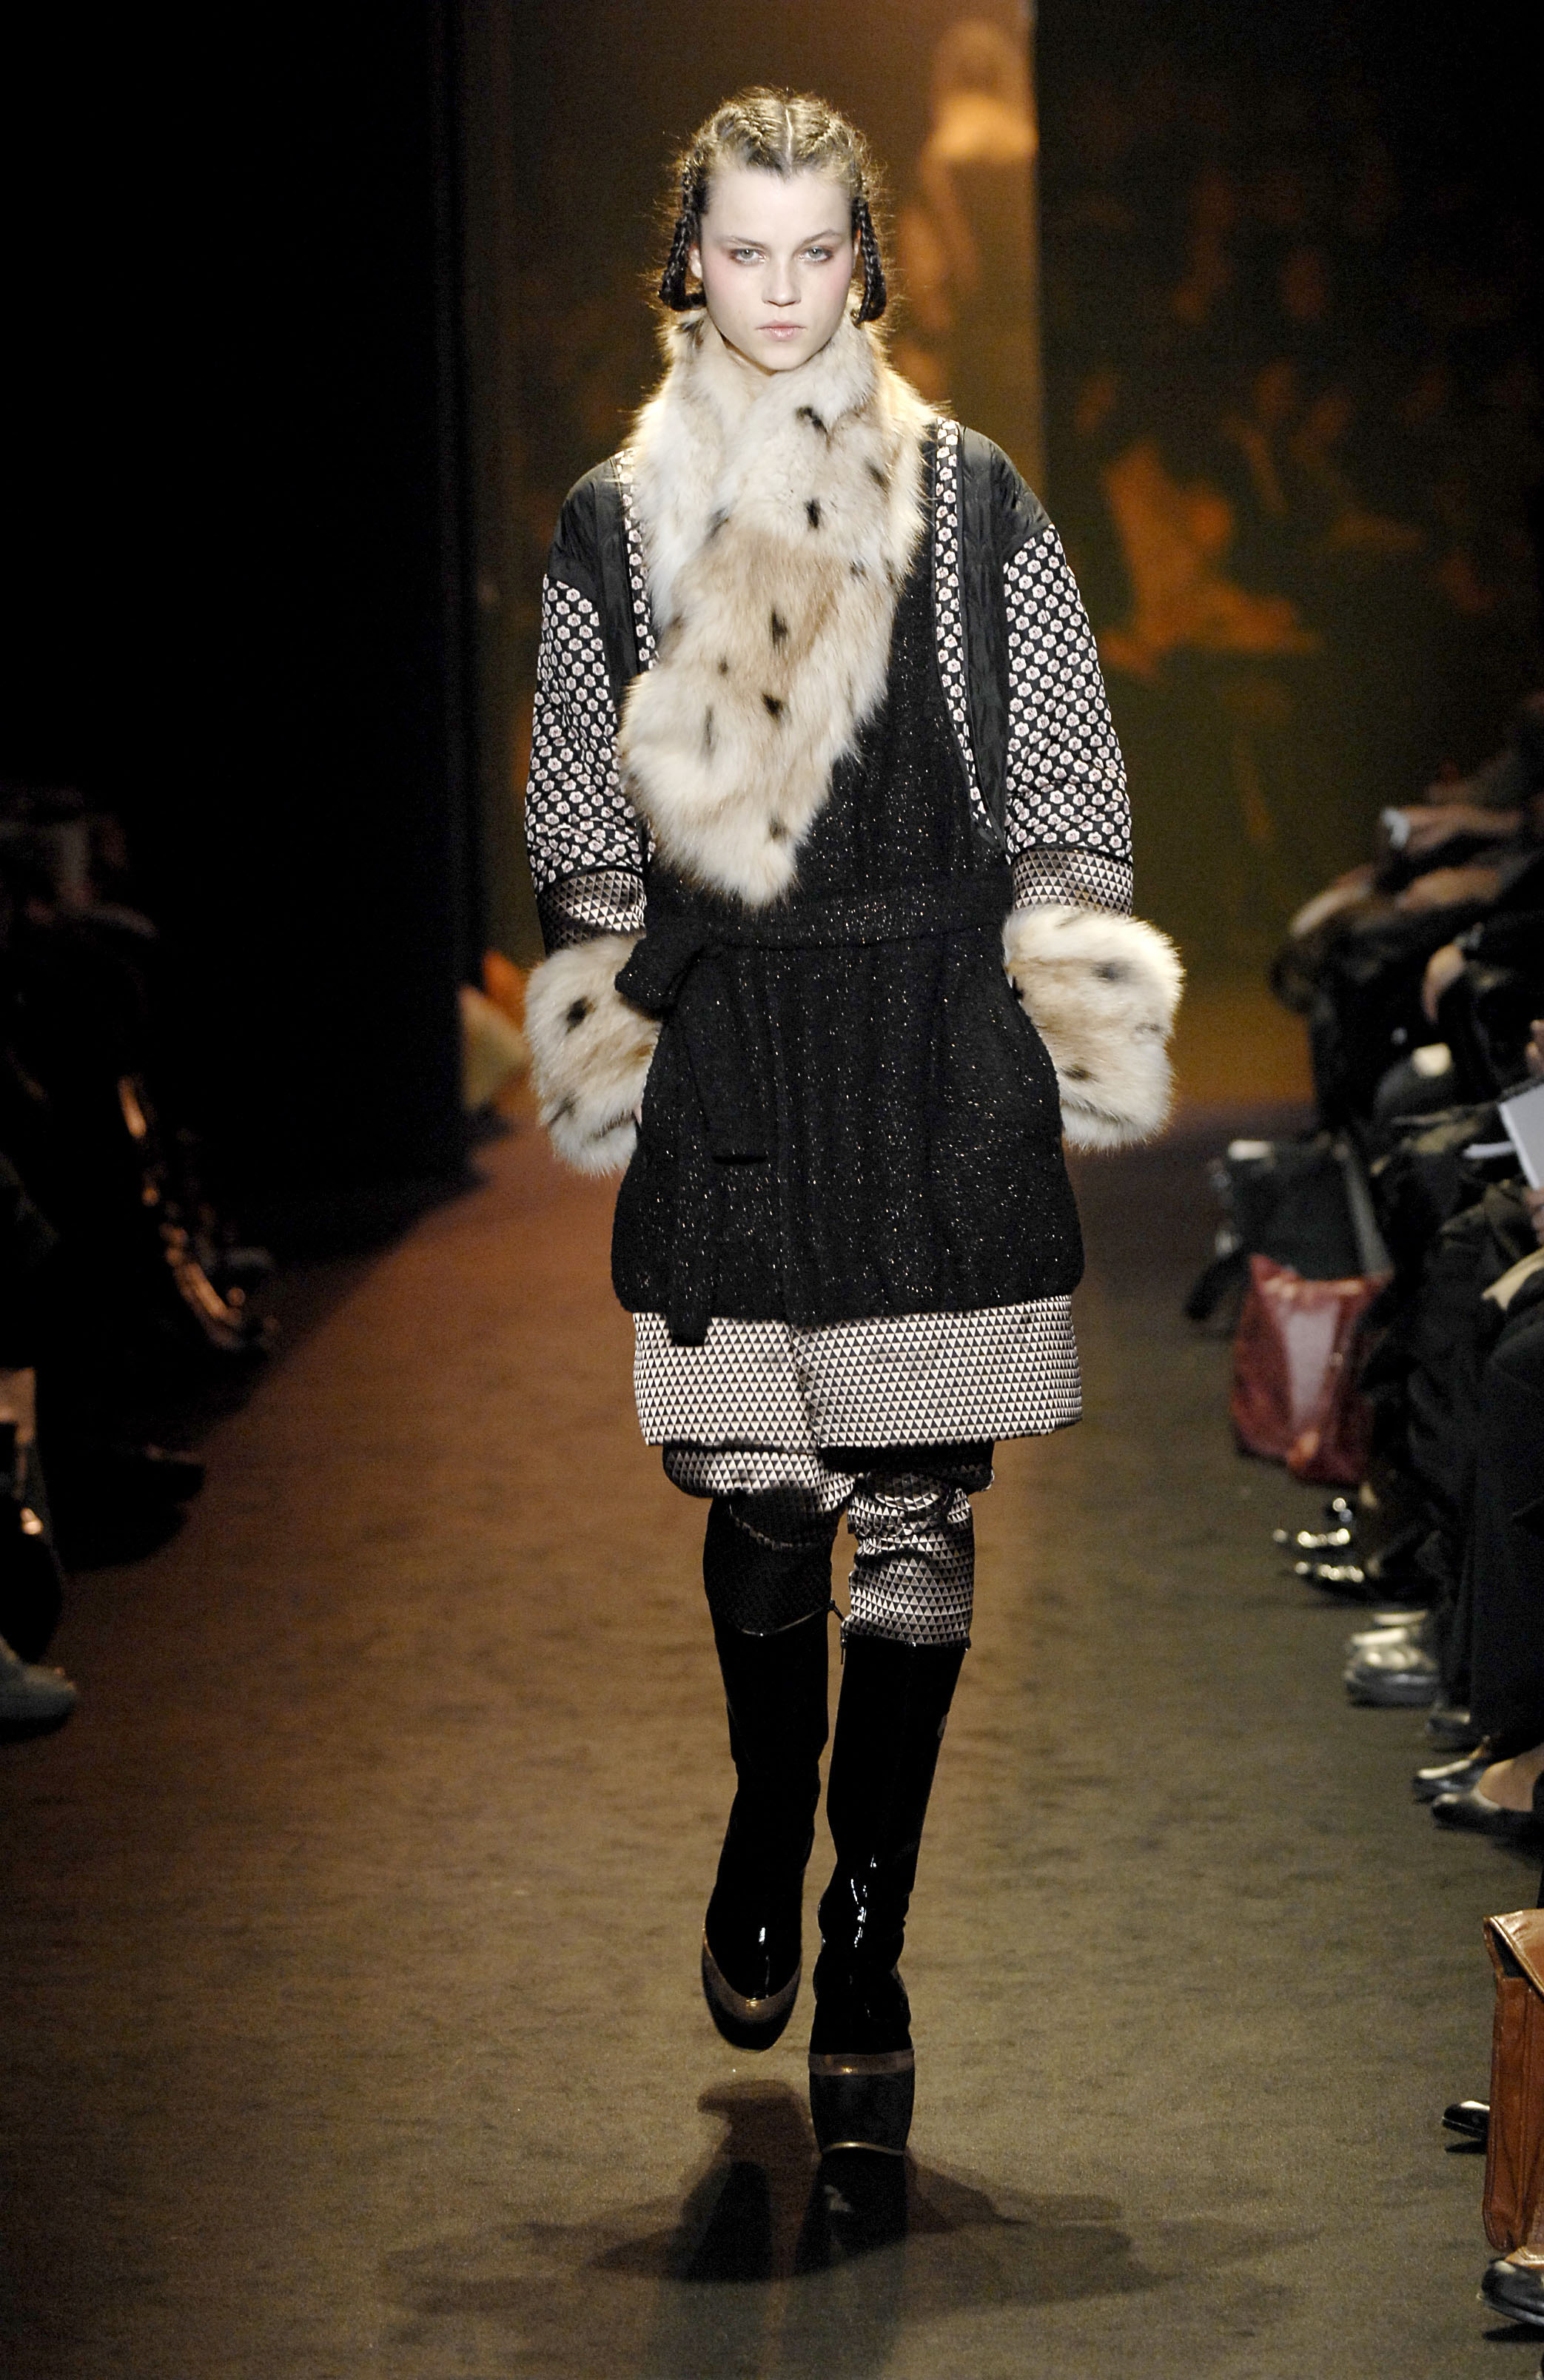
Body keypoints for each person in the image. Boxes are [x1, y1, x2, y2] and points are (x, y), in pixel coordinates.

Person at [522, 89, 1180, 2161]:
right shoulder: (618, 523)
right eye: (747, 252)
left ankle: (869, 1923)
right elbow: (578, 827)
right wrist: (637, 993)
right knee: (762, 1490)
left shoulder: (971, 501)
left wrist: (1047, 1013)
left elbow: (1067, 780)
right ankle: (762, 1814)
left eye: (819, 252)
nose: (785, 291)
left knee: (914, 1506)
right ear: (688, 265)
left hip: (928, 1041)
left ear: (869, 263)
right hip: (740, 1048)